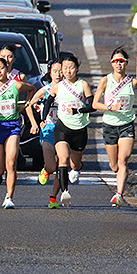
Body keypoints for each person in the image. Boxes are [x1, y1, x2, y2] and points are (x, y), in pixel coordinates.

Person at [0, 57, 36, 209]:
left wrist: (25, 104)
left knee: (11, 162)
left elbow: (32, 89)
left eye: (1, 68)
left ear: (6, 70)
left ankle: (9, 197)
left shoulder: (16, 85)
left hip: (12, 127)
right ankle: (4, 180)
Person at [93, 47, 137, 207]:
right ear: (112, 63)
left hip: (126, 124)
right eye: (116, 61)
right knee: (114, 165)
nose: (119, 64)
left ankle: (119, 194)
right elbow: (95, 104)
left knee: (123, 159)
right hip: (110, 125)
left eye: (121, 61)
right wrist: (110, 107)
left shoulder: (132, 82)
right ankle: (120, 174)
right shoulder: (105, 81)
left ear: (126, 63)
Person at [42, 54, 94, 209]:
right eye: (65, 68)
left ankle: (77, 167)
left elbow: (92, 106)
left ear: (77, 69)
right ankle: (65, 191)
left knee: (74, 164)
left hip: (79, 128)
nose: (68, 71)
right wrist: (43, 118)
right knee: (63, 158)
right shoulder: (58, 86)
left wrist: (78, 110)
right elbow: (48, 102)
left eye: (71, 68)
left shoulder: (83, 85)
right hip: (62, 127)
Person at [27, 59, 63, 188]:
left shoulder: (69, 89)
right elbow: (28, 105)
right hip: (48, 128)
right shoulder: (45, 90)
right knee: (51, 166)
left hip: (64, 129)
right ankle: (46, 170)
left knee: (63, 164)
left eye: (61, 71)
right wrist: (34, 123)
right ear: (50, 73)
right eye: (55, 71)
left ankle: (58, 191)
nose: (58, 74)